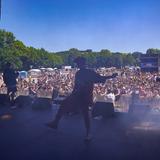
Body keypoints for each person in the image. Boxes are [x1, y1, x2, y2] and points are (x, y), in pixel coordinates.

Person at [46, 57, 117, 141]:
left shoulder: (89, 72)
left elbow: (100, 78)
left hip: (84, 96)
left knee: (85, 114)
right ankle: (55, 123)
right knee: (65, 104)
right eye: (77, 63)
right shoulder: (79, 73)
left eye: (78, 63)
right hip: (76, 95)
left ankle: (88, 133)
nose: (77, 65)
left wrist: (111, 76)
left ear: (82, 63)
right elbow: (80, 85)